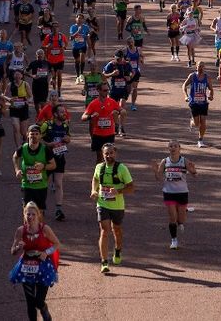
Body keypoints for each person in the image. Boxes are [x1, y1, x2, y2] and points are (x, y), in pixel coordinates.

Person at [9, 202, 60, 321]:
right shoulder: (20, 230)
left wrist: (46, 253)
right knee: (30, 302)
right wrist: (18, 248)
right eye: (28, 214)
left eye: (33, 214)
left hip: (43, 266)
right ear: (24, 215)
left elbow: (57, 244)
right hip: (26, 266)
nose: (30, 217)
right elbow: (12, 251)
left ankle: (43, 308)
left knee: (38, 301)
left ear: (38, 215)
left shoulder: (45, 229)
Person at [91, 143, 135, 272]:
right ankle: (104, 262)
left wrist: (118, 191)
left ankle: (117, 251)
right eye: (106, 153)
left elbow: (131, 187)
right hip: (102, 203)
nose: (109, 156)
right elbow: (95, 179)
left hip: (117, 206)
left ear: (115, 154)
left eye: (111, 153)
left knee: (117, 230)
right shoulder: (99, 167)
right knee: (104, 230)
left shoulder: (122, 169)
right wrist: (94, 190)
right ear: (102, 154)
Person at [157, 141, 198, 249]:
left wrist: (193, 171)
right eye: (170, 146)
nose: (173, 148)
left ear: (180, 148)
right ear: (168, 148)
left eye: (175, 146)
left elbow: (194, 175)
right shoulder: (164, 161)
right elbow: (158, 177)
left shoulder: (184, 161)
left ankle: (183, 215)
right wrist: (155, 171)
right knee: (172, 218)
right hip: (169, 192)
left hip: (182, 192)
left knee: (181, 219)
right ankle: (174, 240)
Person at [40, 102, 73, 221]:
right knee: (43, 183)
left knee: (59, 184)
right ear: (55, 114)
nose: (64, 114)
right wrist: (48, 144)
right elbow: (35, 138)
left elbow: (69, 137)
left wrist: (67, 139)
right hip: (46, 159)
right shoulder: (46, 125)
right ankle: (41, 208)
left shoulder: (65, 126)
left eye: (64, 112)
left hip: (60, 158)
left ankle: (58, 209)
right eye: (61, 112)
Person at [14, 125, 57, 210]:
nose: (34, 136)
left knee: (39, 211)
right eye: (32, 134)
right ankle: (26, 223)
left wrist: (43, 166)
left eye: (37, 134)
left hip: (41, 186)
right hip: (26, 185)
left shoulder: (45, 150)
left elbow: (53, 165)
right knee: (27, 210)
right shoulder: (23, 148)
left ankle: (39, 223)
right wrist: (17, 169)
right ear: (27, 135)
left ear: (40, 136)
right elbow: (15, 157)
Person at [82, 86, 122, 162]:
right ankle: (98, 173)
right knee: (99, 157)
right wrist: (91, 116)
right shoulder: (93, 103)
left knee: (110, 157)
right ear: (99, 91)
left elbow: (122, 110)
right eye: (104, 90)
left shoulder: (112, 101)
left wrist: (118, 113)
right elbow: (83, 117)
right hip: (98, 134)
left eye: (107, 90)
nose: (106, 92)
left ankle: (109, 173)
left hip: (109, 134)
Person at [184, 61, 214, 147]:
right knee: (197, 123)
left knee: (203, 121)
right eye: (199, 66)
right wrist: (186, 96)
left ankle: (200, 140)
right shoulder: (192, 76)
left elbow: (211, 89)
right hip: (194, 102)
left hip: (203, 103)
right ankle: (192, 122)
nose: (201, 68)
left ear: (204, 68)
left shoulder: (207, 77)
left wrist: (210, 95)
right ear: (196, 67)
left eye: (202, 67)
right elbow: (184, 86)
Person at [6, 70, 33, 148]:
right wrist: (9, 99)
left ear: (22, 76)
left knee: (23, 131)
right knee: (16, 127)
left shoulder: (25, 84)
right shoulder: (10, 85)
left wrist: (29, 101)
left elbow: (31, 96)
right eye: (16, 74)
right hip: (14, 109)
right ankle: (18, 147)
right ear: (14, 76)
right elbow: (4, 95)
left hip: (23, 109)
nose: (17, 76)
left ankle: (25, 137)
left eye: (19, 74)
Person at [123, 37, 144, 111]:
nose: (130, 44)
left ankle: (133, 104)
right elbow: (118, 58)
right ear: (127, 43)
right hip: (128, 72)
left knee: (134, 88)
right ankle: (122, 102)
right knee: (128, 89)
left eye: (132, 42)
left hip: (136, 71)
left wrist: (141, 60)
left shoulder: (138, 49)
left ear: (134, 42)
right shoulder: (125, 50)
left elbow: (142, 56)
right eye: (129, 43)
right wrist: (125, 61)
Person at [68, 13, 91, 78]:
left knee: (82, 59)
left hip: (83, 46)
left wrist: (88, 37)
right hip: (75, 46)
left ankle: (81, 74)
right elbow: (71, 38)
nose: (79, 19)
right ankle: (78, 75)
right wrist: (78, 31)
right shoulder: (73, 27)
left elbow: (88, 34)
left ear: (83, 20)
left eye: (81, 18)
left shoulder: (86, 27)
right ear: (76, 19)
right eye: (78, 18)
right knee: (77, 61)